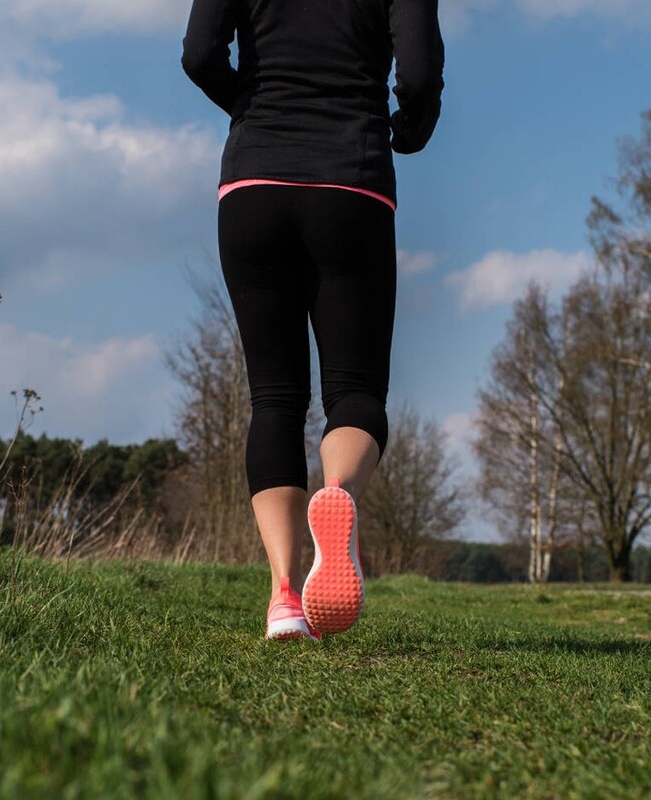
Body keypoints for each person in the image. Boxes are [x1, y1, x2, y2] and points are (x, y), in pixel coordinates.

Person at [181, 0, 444, 640]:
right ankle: (341, 498)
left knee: (275, 397)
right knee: (354, 390)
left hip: (253, 183)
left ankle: (282, 599)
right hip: (351, 182)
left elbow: (198, 54)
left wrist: (251, 105)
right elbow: (415, 75)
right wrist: (408, 128)